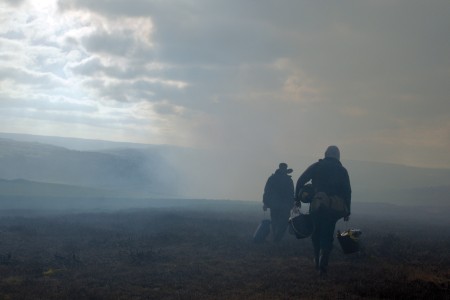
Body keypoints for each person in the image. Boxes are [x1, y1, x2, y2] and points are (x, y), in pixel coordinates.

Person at [295, 146, 351, 277]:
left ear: (326, 154)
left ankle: (317, 262)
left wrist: (297, 198)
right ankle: (323, 265)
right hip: (333, 209)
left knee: (316, 234)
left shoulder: (317, 166)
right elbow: (347, 191)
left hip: (316, 205)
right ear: (338, 156)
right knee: (327, 234)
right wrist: (347, 210)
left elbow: (300, 180)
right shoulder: (342, 170)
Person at [263, 163, 295, 242]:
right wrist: (292, 204)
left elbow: (267, 191)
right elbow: (291, 193)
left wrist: (265, 203)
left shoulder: (272, 178)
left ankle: (276, 238)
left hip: (276, 205)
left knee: (276, 222)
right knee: (282, 223)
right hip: (284, 205)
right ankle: (277, 238)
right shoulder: (288, 180)